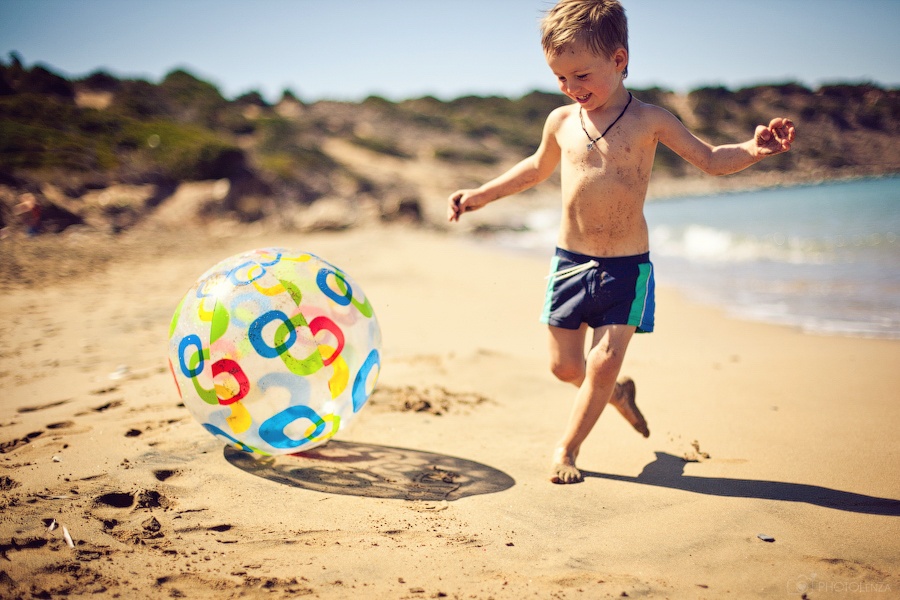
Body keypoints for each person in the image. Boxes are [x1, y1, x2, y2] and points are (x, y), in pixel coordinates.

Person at [447, 0, 795, 484]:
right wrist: (481, 196)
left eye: (581, 75)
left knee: (604, 361)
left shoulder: (650, 120)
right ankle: (617, 394)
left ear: (618, 59)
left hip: (627, 268)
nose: (571, 87)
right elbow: (535, 169)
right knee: (565, 368)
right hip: (570, 263)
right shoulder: (561, 121)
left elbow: (712, 159)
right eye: (560, 77)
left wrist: (755, 149)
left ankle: (567, 450)